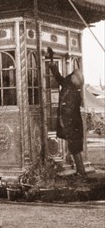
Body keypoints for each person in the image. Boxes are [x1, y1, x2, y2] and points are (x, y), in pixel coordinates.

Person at [47, 47, 87, 177]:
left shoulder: (71, 89)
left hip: (71, 124)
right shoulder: (74, 88)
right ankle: (81, 171)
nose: (69, 78)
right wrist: (52, 63)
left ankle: (81, 171)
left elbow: (68, 109)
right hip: (75, 124)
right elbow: (61, 80)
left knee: (74, 147)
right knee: (76, 147)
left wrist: (63, 123)